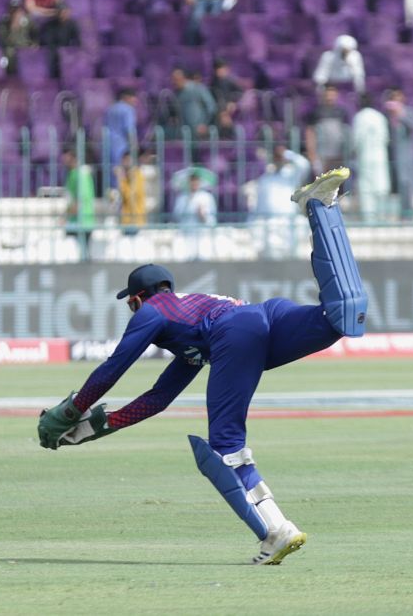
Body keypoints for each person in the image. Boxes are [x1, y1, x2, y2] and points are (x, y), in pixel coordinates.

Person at [37, 168, 368, 566]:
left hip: (236, 334)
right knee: (340, 317)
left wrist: (73, 410)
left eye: (130, 302)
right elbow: (159, 398)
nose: (131, 310)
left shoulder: (155, 310)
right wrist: (95, 428)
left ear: (140, 296)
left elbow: (114, 367)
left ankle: (276, 533)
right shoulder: (189, 327)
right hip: (263, 319)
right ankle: (321, 206)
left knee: (224, 444)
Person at [245, 144, 311, 259]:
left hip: (288, 222)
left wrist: (286, 153)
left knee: (289, 256)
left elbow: (304, 165)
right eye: (276, 158)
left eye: (280, 158)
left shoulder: (291, 176)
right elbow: (259, 203)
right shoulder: (264, 179)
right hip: (268, 223)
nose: (279, 160)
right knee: (270, 257)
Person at [350, 93, 391, 221]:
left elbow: (355, 140)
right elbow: (386, 138)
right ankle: (382, 214)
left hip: (365, 156)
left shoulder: (359, 117)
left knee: (366, 185)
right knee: (381, 183)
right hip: (380, 155)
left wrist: (353, 151)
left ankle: (369, 217)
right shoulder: (380, 117)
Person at [385, 88, 413, 221]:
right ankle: (401, 212)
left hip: (407, 153)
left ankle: (409, 212)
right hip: (393, 155)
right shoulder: (388, 115)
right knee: (398, 184)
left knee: (407, 183)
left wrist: (400, 114)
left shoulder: (409, 112)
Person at [305, 84, 351, 174]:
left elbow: (346, 133)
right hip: (321, 156)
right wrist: (312, 153)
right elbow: (310, 133)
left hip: (338, 156)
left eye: (332, 95)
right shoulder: (316, 113)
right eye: (327, 95)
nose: (330, 98)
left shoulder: (342, 112)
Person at [172, 170, 218, 260]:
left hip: (202, 235)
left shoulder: (206, 197)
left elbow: (211, 218)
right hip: (186, 233)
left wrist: (203, 215)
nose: (194, 183)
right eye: (192, 180)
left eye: (196, 180)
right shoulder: (182, 197)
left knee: (203, 257)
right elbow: (177, 215)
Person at [63, 146, 96, 261]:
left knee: (80, 257)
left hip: (82, 221)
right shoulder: (73, 174)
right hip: (76, 221)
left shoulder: (80, 174)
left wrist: (66, 217)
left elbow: (80, 200)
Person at [103, 88, 138, 182]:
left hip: (107, 144)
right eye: (133, 99)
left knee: (110, 171)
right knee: (121, 173)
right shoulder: (128, 110)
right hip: (121, 146)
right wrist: (134, 146)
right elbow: (129, 130)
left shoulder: (110, 109)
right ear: (126, 97)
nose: (135, 102)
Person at [172, 68, 218, 138]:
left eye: (176, 79)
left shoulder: (198, 88)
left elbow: (211, 107)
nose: (174, 82)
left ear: (183, 78)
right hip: (185, 133)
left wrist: (205, 124)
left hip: (200, 131)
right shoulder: (177, 94)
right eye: (172, 80)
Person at [0, 0, 39, 74]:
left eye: (17, 9)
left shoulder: (27, 20)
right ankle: (11, 76)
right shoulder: (4, 23)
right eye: (13, 9)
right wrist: (13, 25)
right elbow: (5, 40)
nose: (15, 12)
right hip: (11, 48)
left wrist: (35, 43)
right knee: (8, 54)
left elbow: (35, 32)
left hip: (26, 47)